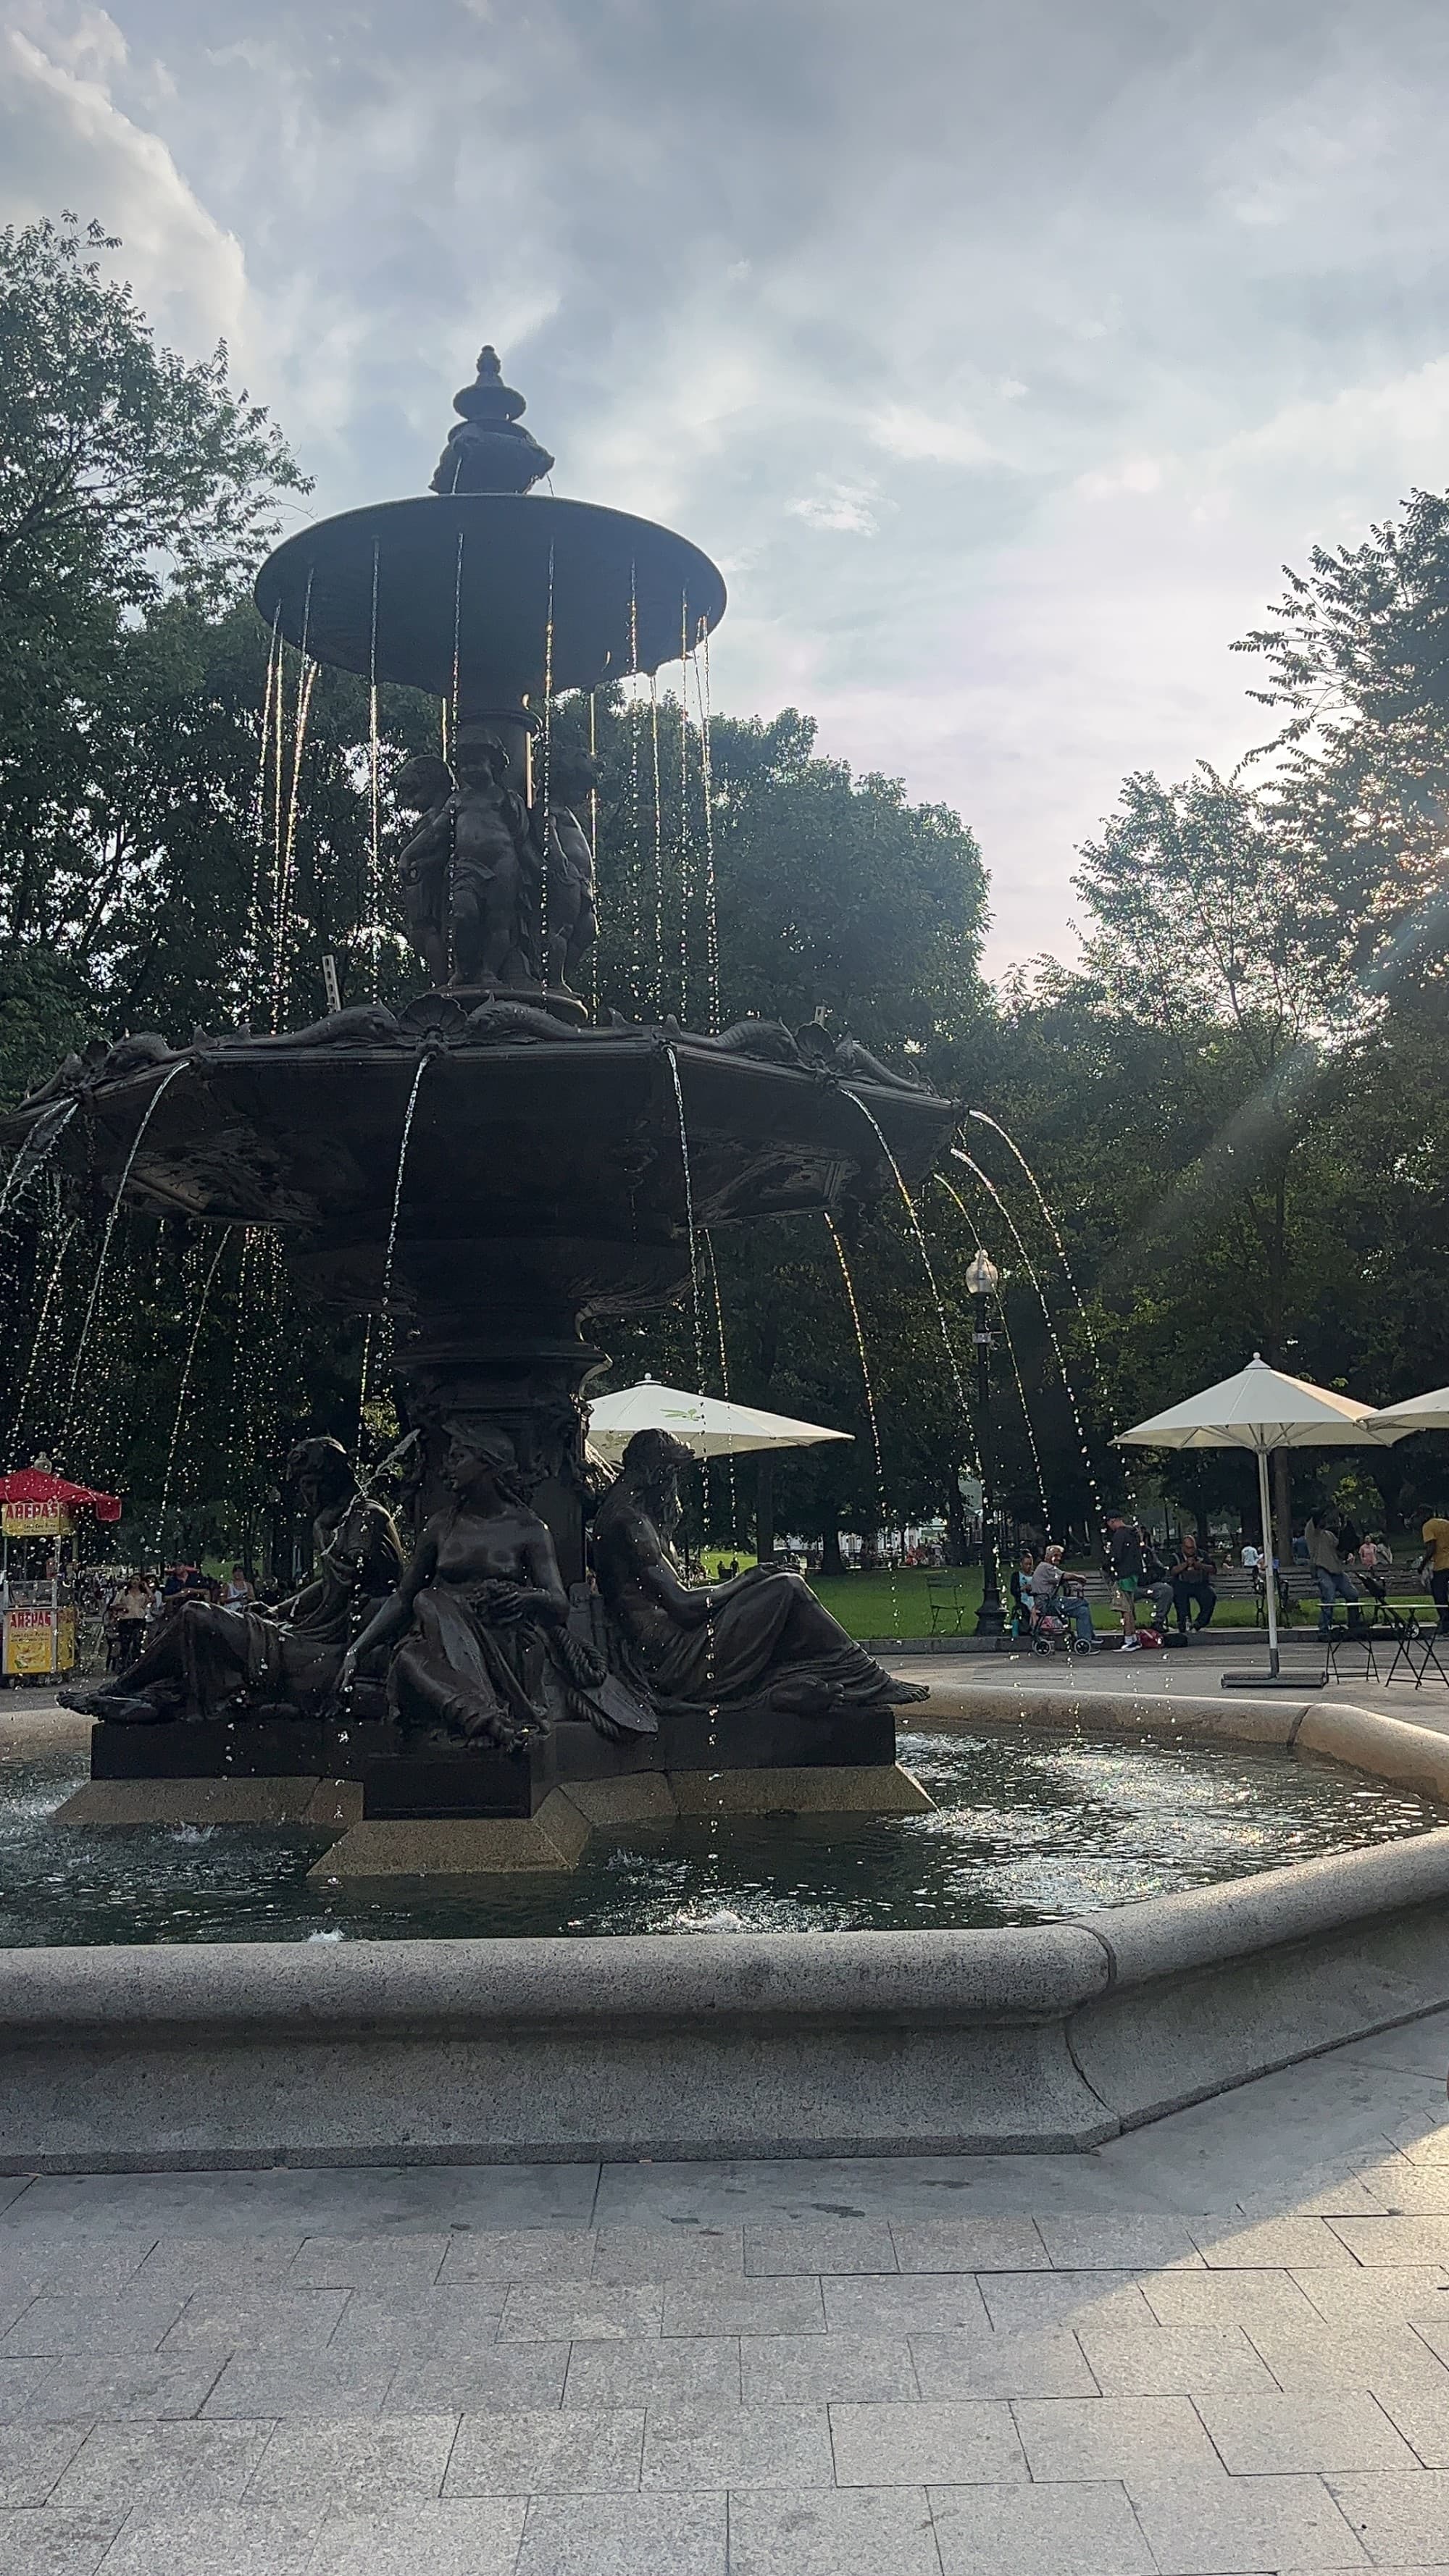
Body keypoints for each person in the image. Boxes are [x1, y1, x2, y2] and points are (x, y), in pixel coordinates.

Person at [591, 1429, 928, 1718]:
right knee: (787, 1587)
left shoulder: (628, 1515)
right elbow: (683, 1604)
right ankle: (868, 1679)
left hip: (671, 1646)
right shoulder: (632, 1523)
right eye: (674, 1472)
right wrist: (747, 1579)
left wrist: (745, 1587)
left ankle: (801, 1687)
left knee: (774, 1591)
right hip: (675, 1660)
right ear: (658, 1474)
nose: (677, 1483)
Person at [1306, 1510, 1362, 1638]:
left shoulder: (1329, 1535)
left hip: (1336, 1570)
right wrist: (1325, 1509)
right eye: (1323, 1519)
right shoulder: (1313, 1533)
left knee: (1353, 1595)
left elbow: (1339, 1548)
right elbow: (1315, 1518)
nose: (1324, 1521)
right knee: (1329, 1598)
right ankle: (1324, 1630)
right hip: (1322, 1569)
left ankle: (1354, 1624)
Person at [1032, 1544, 1095, 1648]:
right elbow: (1065, 1576)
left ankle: (1086, 1640)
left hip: (1050, 1602)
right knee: (1083, 1602)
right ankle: (1090, 1638)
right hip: (1048, 1603)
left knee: (1083, 1612)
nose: (1058, 1558)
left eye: (1060, 1556)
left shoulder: (1047, 1568)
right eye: (1055, 1555)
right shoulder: (1046, 1567)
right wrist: (1079, 1578)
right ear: (1047, 1556)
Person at [1105, 1515, 1143, 1649]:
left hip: (1123, 1575)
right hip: (1133, 1574)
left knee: (1124, 1608)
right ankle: (1133, 1637)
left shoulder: (1119, 1535)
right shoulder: (1133, 1533)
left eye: (1109, 1523)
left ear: (1112, 1521)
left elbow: (1116, 1556)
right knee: (1130, 1607)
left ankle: (1129, 1639)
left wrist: (1108, 1564)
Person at [1171, 1533, 1217, 1633]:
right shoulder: (1176, 1556)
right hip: (1183, 1584)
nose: (1191, 1551)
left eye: (1193, 1548)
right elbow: (1172, 1571)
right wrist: (1185, 1564)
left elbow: (1213, 1569)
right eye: (1188, 1548)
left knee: (1210, 1596)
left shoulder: (1202, 1554)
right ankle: (1184, 1622)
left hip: (1200, 1584)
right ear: (1183, 1547)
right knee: (1179, 1596)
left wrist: (1200, 1566)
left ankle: (1200, 1623)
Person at [1417, 1510, 1449, 1634]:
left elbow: (1431, 1547)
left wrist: (1422, 1565)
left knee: (1439, 1595)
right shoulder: (1446, 1523)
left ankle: (1446, 1624)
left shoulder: (1428, 1526)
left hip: (1442, 1565)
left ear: (1424, 1515)